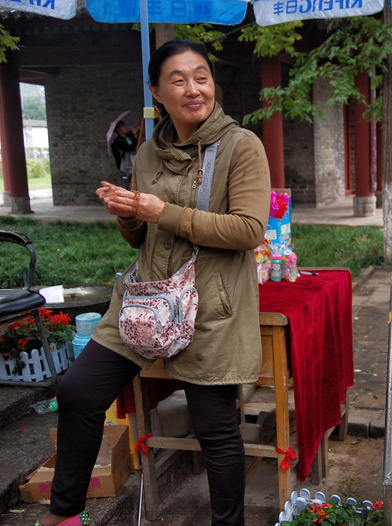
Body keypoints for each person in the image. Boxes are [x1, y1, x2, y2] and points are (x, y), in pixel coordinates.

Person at [34, 40, 270, 526]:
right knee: (78, 391)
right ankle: (64, 517)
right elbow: (141, 239)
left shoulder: (242, 146)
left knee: (216, 433)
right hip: (145, 301)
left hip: (210, 307)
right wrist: (126, 215)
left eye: (201, 77)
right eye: (178, 80)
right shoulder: (147, 152)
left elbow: (249, 230)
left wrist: (165, 211)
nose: (193, 88)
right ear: (156, 92)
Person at [110, 120, 139, 189]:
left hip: (134, 161)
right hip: (125, 164)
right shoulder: (118, 141)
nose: (126, 128)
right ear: (118, 129)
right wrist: (135, 138)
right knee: (127, 182)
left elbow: (137, 142)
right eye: (123, 126)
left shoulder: (129, 136)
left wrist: (135, 134)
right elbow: (129, 148)